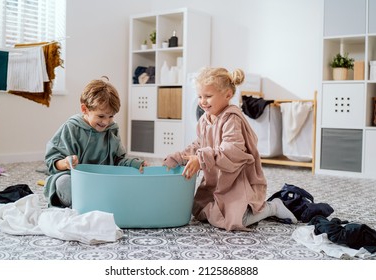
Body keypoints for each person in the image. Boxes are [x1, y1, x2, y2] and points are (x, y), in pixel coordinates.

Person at [163, 67, 297, 231]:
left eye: (208, 96)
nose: (202, 101)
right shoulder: (205, 119)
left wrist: (202, 159)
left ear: (227, 95)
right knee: (199, 210)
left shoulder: (231, 118)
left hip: (236, 178)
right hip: (217, 179)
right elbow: (199, 144)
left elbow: (232, 149)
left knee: (238, 220)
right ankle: (232, 206)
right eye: (200, 96)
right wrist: (178, 158)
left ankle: (273, 207)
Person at [44, 76, 147, 207]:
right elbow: (52, 161)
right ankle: (86, 205)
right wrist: (66, 163)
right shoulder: (71, 128)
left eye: (111, 116)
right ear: (84, 109)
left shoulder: (112, 129)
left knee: (128, 182)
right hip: (76, 180)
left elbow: (117, 160)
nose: (106, 122)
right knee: (63, 182)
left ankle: (96, 203)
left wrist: (134, 163)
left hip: (102, 180)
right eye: (101, 116)